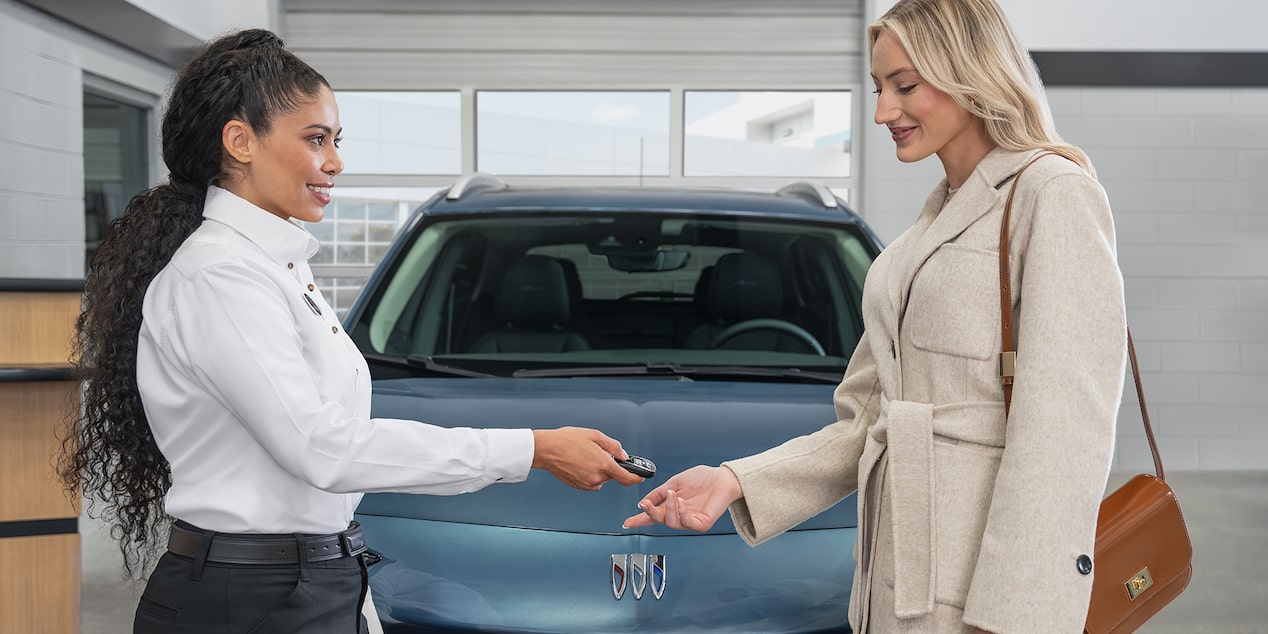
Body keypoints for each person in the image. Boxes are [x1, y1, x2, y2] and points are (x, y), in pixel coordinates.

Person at [59, 29, 643, 634]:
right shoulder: (221, 277)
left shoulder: (276, 266)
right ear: (240, 141)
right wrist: (533, 449)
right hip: (248, 601)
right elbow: (321, 447)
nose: (335, 161)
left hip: (306, 582)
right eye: (316, 139)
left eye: (336, 140)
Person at [624, 1, 1126, 632]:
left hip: (986, 601)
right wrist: (735, 481)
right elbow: (866, 420)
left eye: (905, 86)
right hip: (893, 588)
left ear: (971, 73)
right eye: (879, 88)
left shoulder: (1053, 195)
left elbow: (1063, 437)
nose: (884, 111)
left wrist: (1015, 619)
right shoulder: (927, 228)